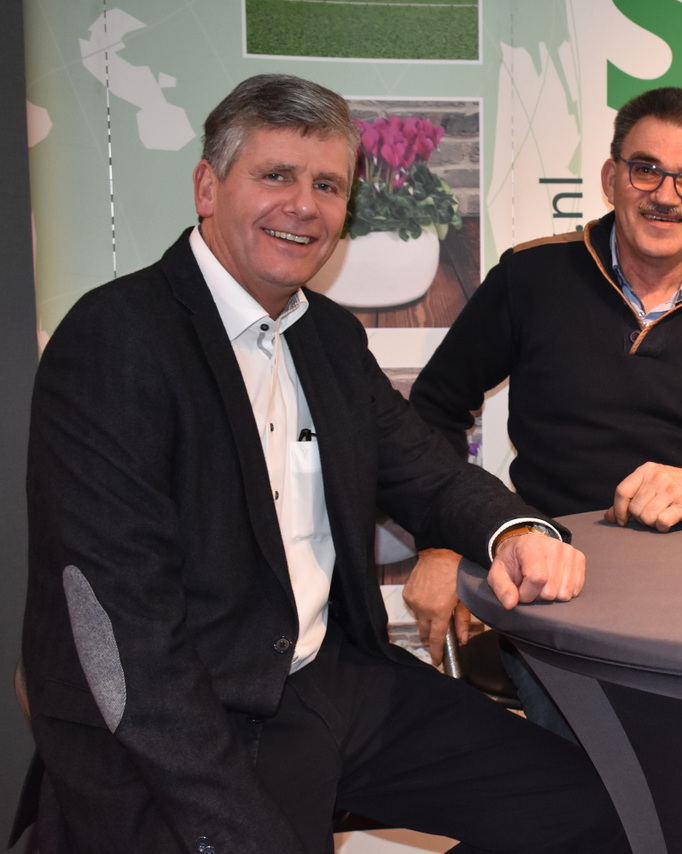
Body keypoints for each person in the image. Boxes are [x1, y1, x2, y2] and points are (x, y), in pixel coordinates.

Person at [17, 74, 629, 854]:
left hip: (333, 679)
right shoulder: (117, 339)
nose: (303, 205)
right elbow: (128, 644)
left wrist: (516, 531)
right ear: (207, 187)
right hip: (189, 713)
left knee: (597, 813)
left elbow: (429, 472)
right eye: (275, 175)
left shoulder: (329, 337)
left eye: (328, 185)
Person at [405, 86, 682, 672]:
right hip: (549, 572)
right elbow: (433, 408)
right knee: (588, 719)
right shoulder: (531, 277)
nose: (666, 195)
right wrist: (440, 543)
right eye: (646, 170)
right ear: (611, 179)